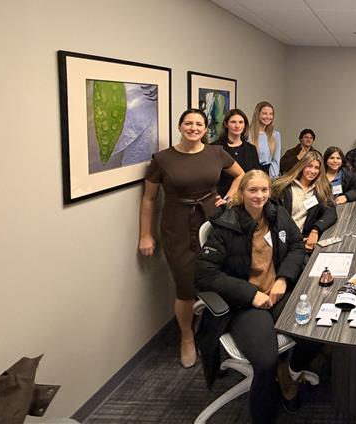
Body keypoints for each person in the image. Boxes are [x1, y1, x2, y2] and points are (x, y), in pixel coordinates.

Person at [196, 170, 319, 422]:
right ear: (242, 193)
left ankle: (290, 373)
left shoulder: (276, 214)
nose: (259, 195)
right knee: (265, 362)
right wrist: (251, 293)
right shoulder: (225, 224)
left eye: (264, 190)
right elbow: (204, 274)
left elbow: (296, 245)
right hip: (245, 303)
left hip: (277, 293)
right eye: (253, 190)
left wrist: (283, 278)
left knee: (320, 329)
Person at [138, 108, 244, 368]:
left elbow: (241, 175)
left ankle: (219, 330)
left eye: (199, 124)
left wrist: (229, 195)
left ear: (205, 129)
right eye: (188, 123)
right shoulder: (163, 159)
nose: (194, 128)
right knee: (185, 285)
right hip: (177, 225)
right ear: (179, 126)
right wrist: (145, 235)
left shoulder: (216, 153)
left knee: (220, 275)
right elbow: (149, 199)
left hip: (212, 221)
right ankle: (187, 337)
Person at [272, 151, 336, 252]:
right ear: (302, 166)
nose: (312, 171)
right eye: (309, 166)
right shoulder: (283, 187)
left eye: (316, 168)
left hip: (304, 240)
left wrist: (315, 230)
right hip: (283, 241)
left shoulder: (321, 188)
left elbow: (331, 211)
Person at [214, 108, 260, 198]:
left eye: (241, 122)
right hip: (221, 198)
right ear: (226, 124)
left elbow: (256, 174)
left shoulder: (251, 149)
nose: (237, 125)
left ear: (244, 125)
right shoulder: (215, 148)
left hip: (246, 197)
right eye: (233, 122)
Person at [250, 101, 281, 177]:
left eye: (271, 114)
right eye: (264, 113)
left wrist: (270, 177)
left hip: (268, 175)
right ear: (257, 114)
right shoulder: (248, 134)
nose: (268, 117)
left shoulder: (276, 135)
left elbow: (276, 160)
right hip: (250, 174)